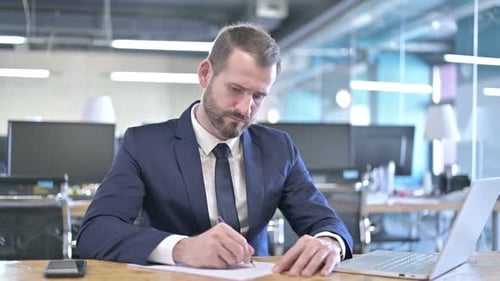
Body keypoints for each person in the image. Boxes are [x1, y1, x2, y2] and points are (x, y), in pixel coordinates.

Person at [76, 22, 353, 277]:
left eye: (258, 96)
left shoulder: (278, 148)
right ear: (206, 74)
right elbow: (95, 232)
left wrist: (329, 242)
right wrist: (182, 248)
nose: (245, 109)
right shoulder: (144, 145)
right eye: (236, 89)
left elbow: (325, 221)